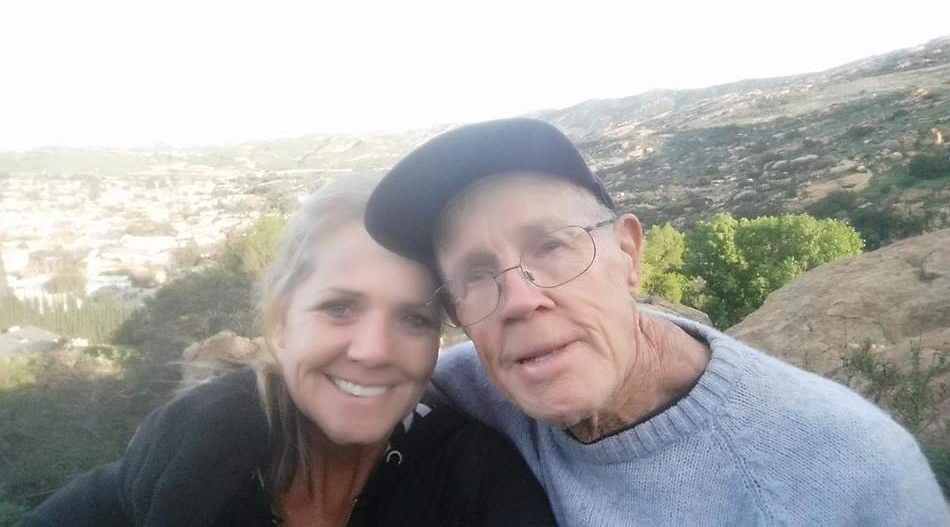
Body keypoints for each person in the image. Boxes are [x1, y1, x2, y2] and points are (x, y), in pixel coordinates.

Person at [363, 118, 950, 525]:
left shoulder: (846, 471)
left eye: (551, 246)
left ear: (628, 252)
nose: (518, 300)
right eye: (475, 276)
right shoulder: (473, 385)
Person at [22, 177, 556, 526]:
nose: (373, 351)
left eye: (414, 318)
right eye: (339, 308)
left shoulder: (470, 475)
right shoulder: (202, 443)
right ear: (280, 324)